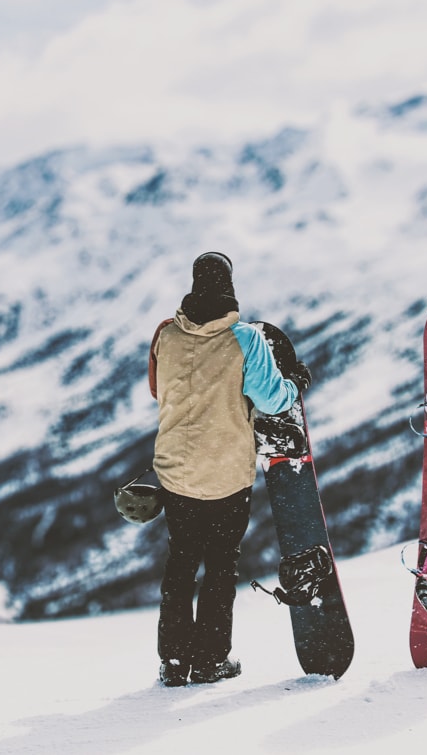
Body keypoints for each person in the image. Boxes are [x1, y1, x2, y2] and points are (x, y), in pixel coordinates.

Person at [147, 252, 307, 687]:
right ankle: (211, 660)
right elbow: (273, 400)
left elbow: (156, 388)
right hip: (226, 476)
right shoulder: (245, 339)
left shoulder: (166, 336)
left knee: (180, 563)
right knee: (220, 567)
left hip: (175, 472)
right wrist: (295, 381)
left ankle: (174, 663)